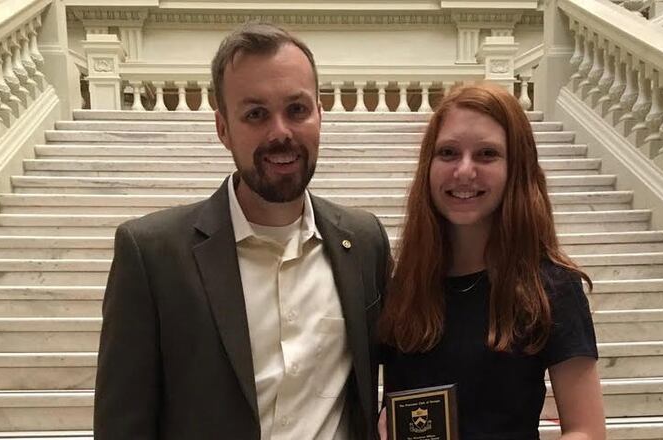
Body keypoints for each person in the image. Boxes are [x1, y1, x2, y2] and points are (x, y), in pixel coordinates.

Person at [94, 23, 390, 439]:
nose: (280, 132)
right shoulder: (151, 254)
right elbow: (122, 426)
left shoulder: (364, 241)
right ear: (223, 128)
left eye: (297, 109)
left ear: (320, 113)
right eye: (255, 114)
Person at [377, 83, 605, 440]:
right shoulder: (404, 285)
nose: (464, 171)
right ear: (429, 165)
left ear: (517, 168)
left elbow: (586, 430)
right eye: (449, 152)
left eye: (486, 154)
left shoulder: (552, 286)